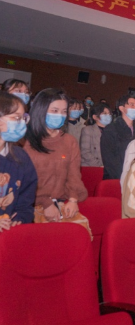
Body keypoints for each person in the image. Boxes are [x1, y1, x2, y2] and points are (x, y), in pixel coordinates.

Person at [23, 89, 88, 229]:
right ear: (41, 110)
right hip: (30, 204)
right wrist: (46, 203)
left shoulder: (69, 141)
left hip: (61, 202)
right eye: (54, 110)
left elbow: (74, 175)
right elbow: (24, 181)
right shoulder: (25, 141)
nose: (60, 115)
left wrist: (73, 199)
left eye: (64, 111)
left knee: (79, 232)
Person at [0, 92, 37, 229]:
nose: (21, 123)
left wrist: (21, 217)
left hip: (9, 230)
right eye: (16, 118)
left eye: (23, 118)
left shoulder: (20, 156)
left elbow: (26, 197)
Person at [101, 93, 135, 180]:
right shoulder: (111, 129)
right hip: (115, 178)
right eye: (132, 105)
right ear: (121, 108)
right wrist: (124, 177)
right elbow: (109, 159)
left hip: (133, 177)